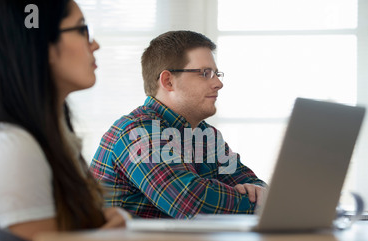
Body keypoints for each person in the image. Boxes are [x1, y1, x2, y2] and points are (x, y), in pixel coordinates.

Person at [0, 0, 126, 241]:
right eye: (82, 30)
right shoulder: (11, 146)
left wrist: (112, 220)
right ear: (42, 45)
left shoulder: (51, 134)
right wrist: (107, 234)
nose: (95, 44)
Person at [90, 30, 267, 219]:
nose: (218, 83)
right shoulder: (137, 132)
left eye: (216, 73)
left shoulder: (206, 134)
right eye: (205, 73)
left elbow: (254, 185)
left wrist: (261, 194)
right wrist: (262, 203)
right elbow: (192, 202)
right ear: (168, 81)